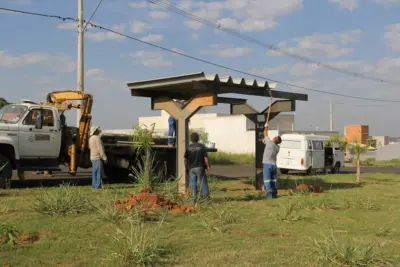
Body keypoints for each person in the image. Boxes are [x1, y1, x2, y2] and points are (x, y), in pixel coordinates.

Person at [184, 132, 211, 204]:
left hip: (191, 169)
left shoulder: (188, 147)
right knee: (203, 183)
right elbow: (205, 157)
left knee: (193, 184)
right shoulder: (201, 146)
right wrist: (208, 166)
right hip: (200, 167)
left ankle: (194, 200)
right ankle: (207, 200)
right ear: (198, 138)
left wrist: (186, 167)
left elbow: (185, 159)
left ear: (191, 139)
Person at [262, 122, 282, 198]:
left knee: (267, 180)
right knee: (274, 180)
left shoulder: (269, 143)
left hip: (267, 164)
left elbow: (265, 134)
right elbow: (266, 136)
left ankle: (270, 195)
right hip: (274, 165)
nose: (274, 137)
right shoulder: (277, 148)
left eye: (275, 137)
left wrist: (266, 127)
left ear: (274, 139)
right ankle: (274, 194)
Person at [88, 125, 107, 190]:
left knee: (94, 172)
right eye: (98, 129)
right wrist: (104, 157)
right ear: (95, 131)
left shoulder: (90, 138)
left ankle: (94, 185)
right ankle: (97, 186)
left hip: (92, 157)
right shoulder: (97, 138)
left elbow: (90, 148)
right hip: (97, 157)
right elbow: (100, 148)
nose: (99, 130)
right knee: (98, 172)